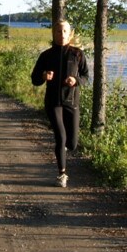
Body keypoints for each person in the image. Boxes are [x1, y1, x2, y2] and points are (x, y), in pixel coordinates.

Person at [30, 20, 89, 188]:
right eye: (58, 31)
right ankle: (62, 174)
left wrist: (76, 80)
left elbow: (86, 76)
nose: (61, 35)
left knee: (72, 143)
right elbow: (34, 79)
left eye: (64, 31)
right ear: (53, 34)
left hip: (72, 102)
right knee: (60, 138)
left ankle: (63, 149)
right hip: (53, 102)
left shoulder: (77, 54)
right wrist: (43, 77)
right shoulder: (46, 55)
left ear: (70, 34)